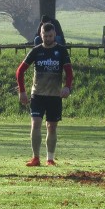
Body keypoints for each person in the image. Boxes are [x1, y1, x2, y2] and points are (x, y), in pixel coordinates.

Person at [16, 23, 74, 167]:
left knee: (51, 127)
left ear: (54, 35)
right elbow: (20, 71)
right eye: (44, 35)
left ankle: (50, 158)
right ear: (40, 35)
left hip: (54, 96)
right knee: (35, 124)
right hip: (38, 95)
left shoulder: (61, 51)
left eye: (50, 36)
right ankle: (35, 158)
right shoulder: (36, 51)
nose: (47, 38)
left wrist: (67, 87)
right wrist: (22, 91)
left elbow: (69, 72)